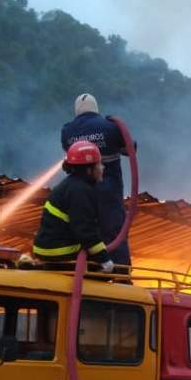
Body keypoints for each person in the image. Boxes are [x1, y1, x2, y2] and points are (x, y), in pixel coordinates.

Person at [61, 93, 132, 269]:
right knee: (115, 233)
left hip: (81, 192)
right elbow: (131, 149)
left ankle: (91, 271)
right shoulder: (111, 127)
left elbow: (69, 152)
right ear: (96, 109)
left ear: (76, 111)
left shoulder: (67, 131)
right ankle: (121, 275)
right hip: (109, 192)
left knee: (85, 231)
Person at [32, 141, 115, 272]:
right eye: (99, 164)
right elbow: (85, 230)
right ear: (89, 170)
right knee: (103, 269)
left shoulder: (73, 185)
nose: (103, 168)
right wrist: (104, 260)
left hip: (48, 247)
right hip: (58, 249)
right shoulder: (80, 191)